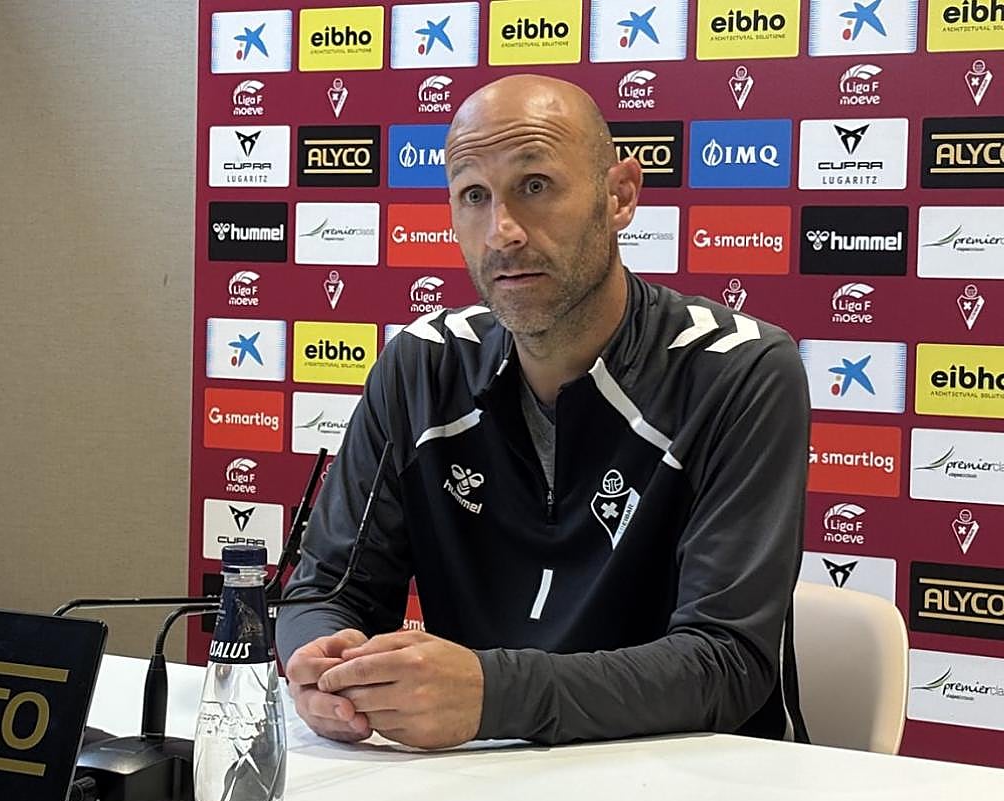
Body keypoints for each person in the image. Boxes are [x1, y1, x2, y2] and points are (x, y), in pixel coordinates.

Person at [275, 74, 810, 750]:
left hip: (697, 785)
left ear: (620, 196)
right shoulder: (421, 365)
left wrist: (494, 695)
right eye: (474, 196)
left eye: (535, 186)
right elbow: (326, 587)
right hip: (482, 778)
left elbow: (727, 664)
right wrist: (322, 666)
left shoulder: (740, 369)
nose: (502, 232)